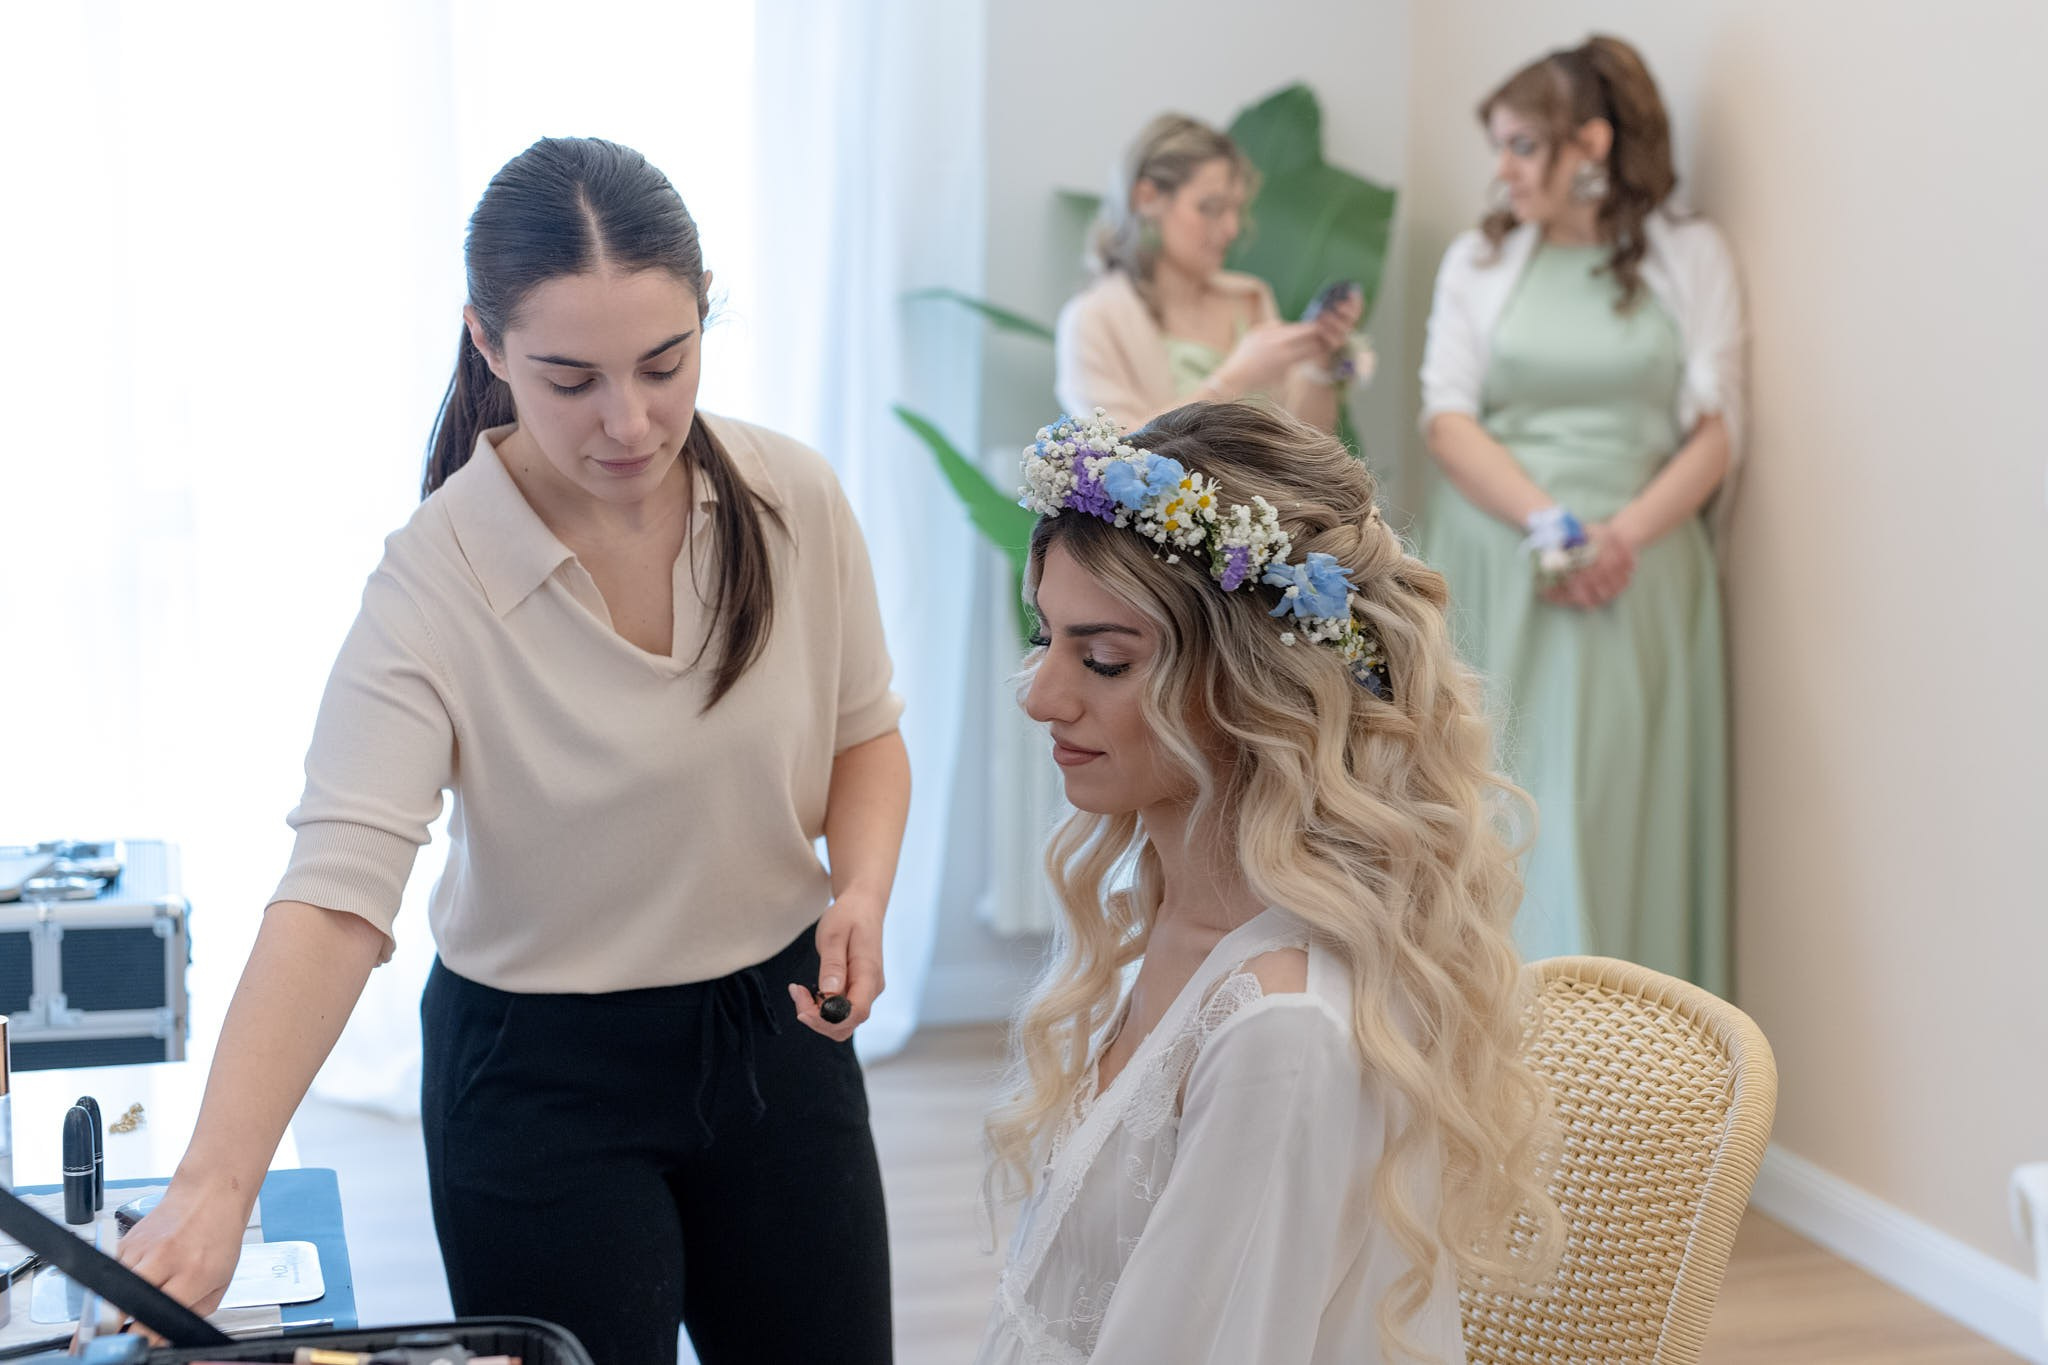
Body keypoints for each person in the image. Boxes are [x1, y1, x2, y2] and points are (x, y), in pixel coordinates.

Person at [114, 137, 910, 1365]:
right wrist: (220, 1180)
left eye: (664, 364)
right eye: (570, 378)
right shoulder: (434, 578)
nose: (629, 421)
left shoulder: (789, 497)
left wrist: (857, 887)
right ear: (485, 346)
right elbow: (335, 894)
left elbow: (865, 731)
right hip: (540, 1077)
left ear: (706, 317)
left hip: (779, 1035)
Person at [976, 404, 1560, 1363]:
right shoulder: (1171, 917)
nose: (1040, 694)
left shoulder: (1278, 1030)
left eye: (1105, 659)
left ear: (1253, 686)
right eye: (1046, 637)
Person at [1417, 36, 1744, 994]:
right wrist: (1553, 528)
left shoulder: (1692, 256)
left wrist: (1620, 537)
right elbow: (1447, 418)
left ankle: (1636, 1104)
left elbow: (1719, 432)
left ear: (1590, 144)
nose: (1504, 170)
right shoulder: (1478, 262)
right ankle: (1490, 1095)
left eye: (1522, 146)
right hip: (1500, 557)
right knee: (1504, 817)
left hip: (1639, 574)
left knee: (1611, 815)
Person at [1054, 113, 1366, 433]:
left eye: (1236, 209)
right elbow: (1114, 455)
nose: (1232, 229)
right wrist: (1235, 380)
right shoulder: (1092, 319)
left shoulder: (1250, 298)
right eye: (1211, 208)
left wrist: (1318, 363)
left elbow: (1305, 440)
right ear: (1147, 199)